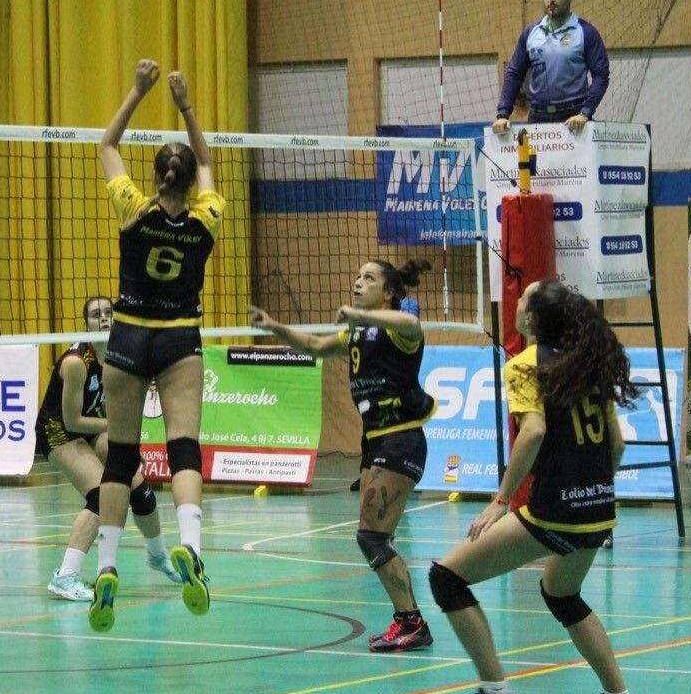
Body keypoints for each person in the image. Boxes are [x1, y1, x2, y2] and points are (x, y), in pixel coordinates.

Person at [427, 279, 646, 694]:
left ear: (531, 318)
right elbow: (617, 444)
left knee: (446, 579)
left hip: (555, 511)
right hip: (598, 510)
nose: (518, 300)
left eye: (523, 297)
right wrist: (595, 491)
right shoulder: (588, 365)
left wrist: (501, 499)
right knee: (563, 595)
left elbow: (534, 430)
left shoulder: (526, 365)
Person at [88, 59, 225, 634]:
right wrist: (186, 103)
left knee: (122, 456)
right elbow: (212, 160)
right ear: (191, 181)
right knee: (184, 448)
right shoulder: (208, 218)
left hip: (127, 335)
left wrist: (140, 91)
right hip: (178, 341)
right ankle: (189, 547)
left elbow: (106, 143)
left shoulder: (132, 210)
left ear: (157, 176)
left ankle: (107, 567)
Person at [248, 257, 438, 652]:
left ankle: (412, 622)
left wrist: (355, 314)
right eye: (357, 276)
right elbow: (315, 346)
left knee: (372, 536)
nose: (357, 282)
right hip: (374, 442)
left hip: (401, 439)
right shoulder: (356, 334)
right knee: (372, 537)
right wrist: (273, 326)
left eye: (368, 279)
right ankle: (409, 619)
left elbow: (413, 326)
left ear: (387, 293)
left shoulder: (397, 329)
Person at [37, 295, 184, 601]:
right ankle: (65, 576)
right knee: (100, 495)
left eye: (108, 312)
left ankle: (157, 555)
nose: (103, 318)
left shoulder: (123, 357)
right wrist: (118, 430)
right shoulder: (77, 362)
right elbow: (73, 421)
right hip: (59, 432)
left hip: (94, 427)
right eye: (95, 315)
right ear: (86, 324)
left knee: (137, 485)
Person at [493, 0, 610, 134]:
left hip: (574, 117)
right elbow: (514, 73)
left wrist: (585, 112)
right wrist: (503, 113)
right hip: (538, 117)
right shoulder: (530, 33)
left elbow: (601, 75)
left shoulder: (586, 32)